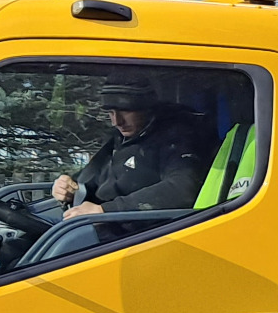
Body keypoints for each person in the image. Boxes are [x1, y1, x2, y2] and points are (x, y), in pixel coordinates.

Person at [53, 79, 210, 220]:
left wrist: (105, 211)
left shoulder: (176, 137)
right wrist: (67, 187)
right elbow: (89, 179)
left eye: (125, 110)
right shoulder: (120, 139)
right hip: (101, 227)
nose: (117, 121)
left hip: (139, 238)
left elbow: (183, 188)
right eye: (110, 113)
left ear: (146, 107)